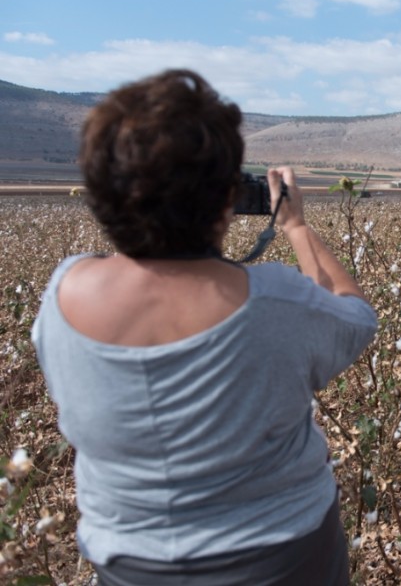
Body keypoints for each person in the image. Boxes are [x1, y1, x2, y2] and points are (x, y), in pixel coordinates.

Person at [31, 69, 378, 586]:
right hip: (286, 558)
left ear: (100, 192)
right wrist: (297, 227)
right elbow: (354, 316)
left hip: (129, 565)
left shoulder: (61, 297)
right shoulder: (277, 300)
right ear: (226, 198)